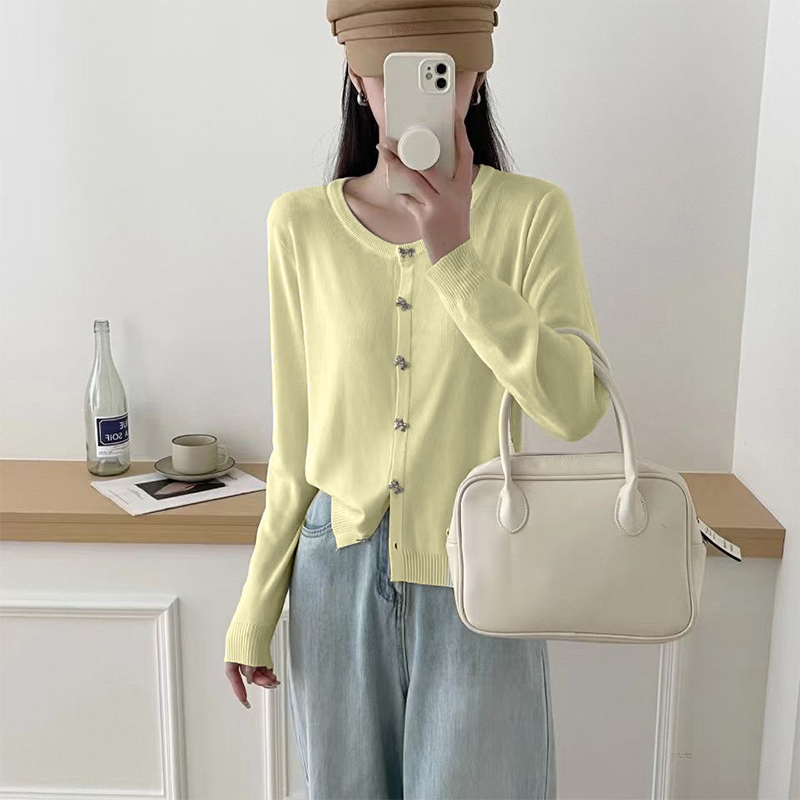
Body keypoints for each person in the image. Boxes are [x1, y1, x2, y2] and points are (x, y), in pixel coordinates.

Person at [224, 1, 609, 797]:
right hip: (333, 577)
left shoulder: (533, 214)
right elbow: (296, 441)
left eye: (446, 71)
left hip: (481, 578)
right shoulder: (300, 225)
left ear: (477, 77)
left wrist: (457, 257)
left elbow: (575, 408)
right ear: (357, 78)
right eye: (394, 73)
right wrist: (256, 606)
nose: (426, 93)